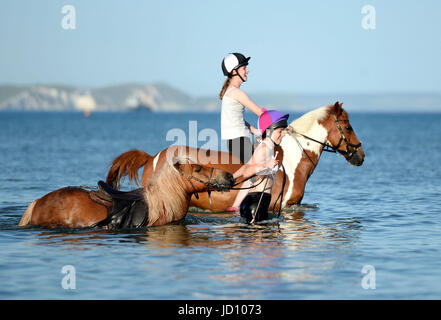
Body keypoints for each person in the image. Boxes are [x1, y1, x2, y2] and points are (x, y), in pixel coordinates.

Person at [220, 52, 265, 212]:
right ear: (234, 71)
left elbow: (236, 119)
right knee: (255, 171)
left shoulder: (230, 92)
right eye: (244, 67)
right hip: (239, 139)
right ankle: (237, 206)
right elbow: (260, 112)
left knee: (253, 169)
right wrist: (282, 123)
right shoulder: (237, 93)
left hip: (238, 138)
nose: (247, 71)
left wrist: (254, 129)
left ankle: (237, 205)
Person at [232, 109, 290, 223]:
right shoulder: (263, 149)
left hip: (258, 202)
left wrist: (231, 177)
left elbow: (247, 168)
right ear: (269, 131)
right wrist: (266, 164)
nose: (283, 134)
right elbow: (247, 172)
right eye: (280, 131)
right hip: (256, 203)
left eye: (283, 131)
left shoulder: (268, 148)